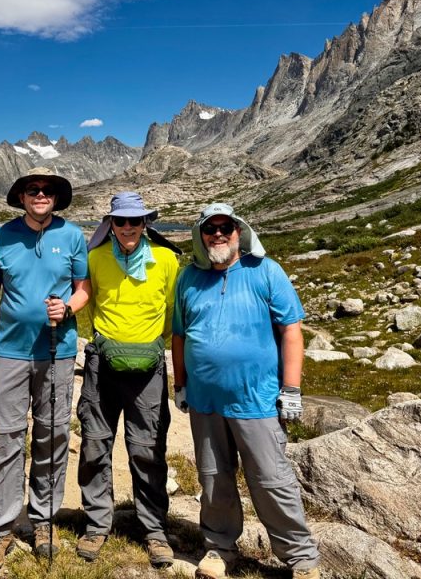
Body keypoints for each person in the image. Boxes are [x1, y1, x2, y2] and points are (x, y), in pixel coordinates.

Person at [171, 203, 320, 579]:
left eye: (226, 228)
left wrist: (292, 388)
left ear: (240, 232)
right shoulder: (188, 277)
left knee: (272, 479)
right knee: (213, 478)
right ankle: (220, 548)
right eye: (210, 229)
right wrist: (180, 384)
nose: (218, 234)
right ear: (200, 236)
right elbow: (178, 335)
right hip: (205, 402)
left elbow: (291, 331)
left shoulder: (265, 271)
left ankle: (300, 558)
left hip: (258, 400)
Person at [0, 167, 91, 574]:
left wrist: (70, 307)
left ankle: (43, 520)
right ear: (21, 197)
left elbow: (83, 288)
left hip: (58, 352)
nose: (40, 195)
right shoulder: (3, 235)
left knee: (53, 433)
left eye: (47, 190)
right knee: (5, 435)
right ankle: (1, 526)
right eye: (32, 190)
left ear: (56, 198)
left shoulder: (73, 236)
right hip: (10, 351)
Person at [75, 192, 181, 568]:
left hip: (148, 368)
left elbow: (172, 311)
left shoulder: (167, 260)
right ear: (112, 224)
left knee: (148, 449)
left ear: (146, 223)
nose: (128, 228)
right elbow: (85, 302)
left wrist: (150, 344)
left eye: (135, 221)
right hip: (102, 365)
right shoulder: (95, 258)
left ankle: (154, 531)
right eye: (120, 222)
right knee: (94, 444)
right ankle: (97, 525)